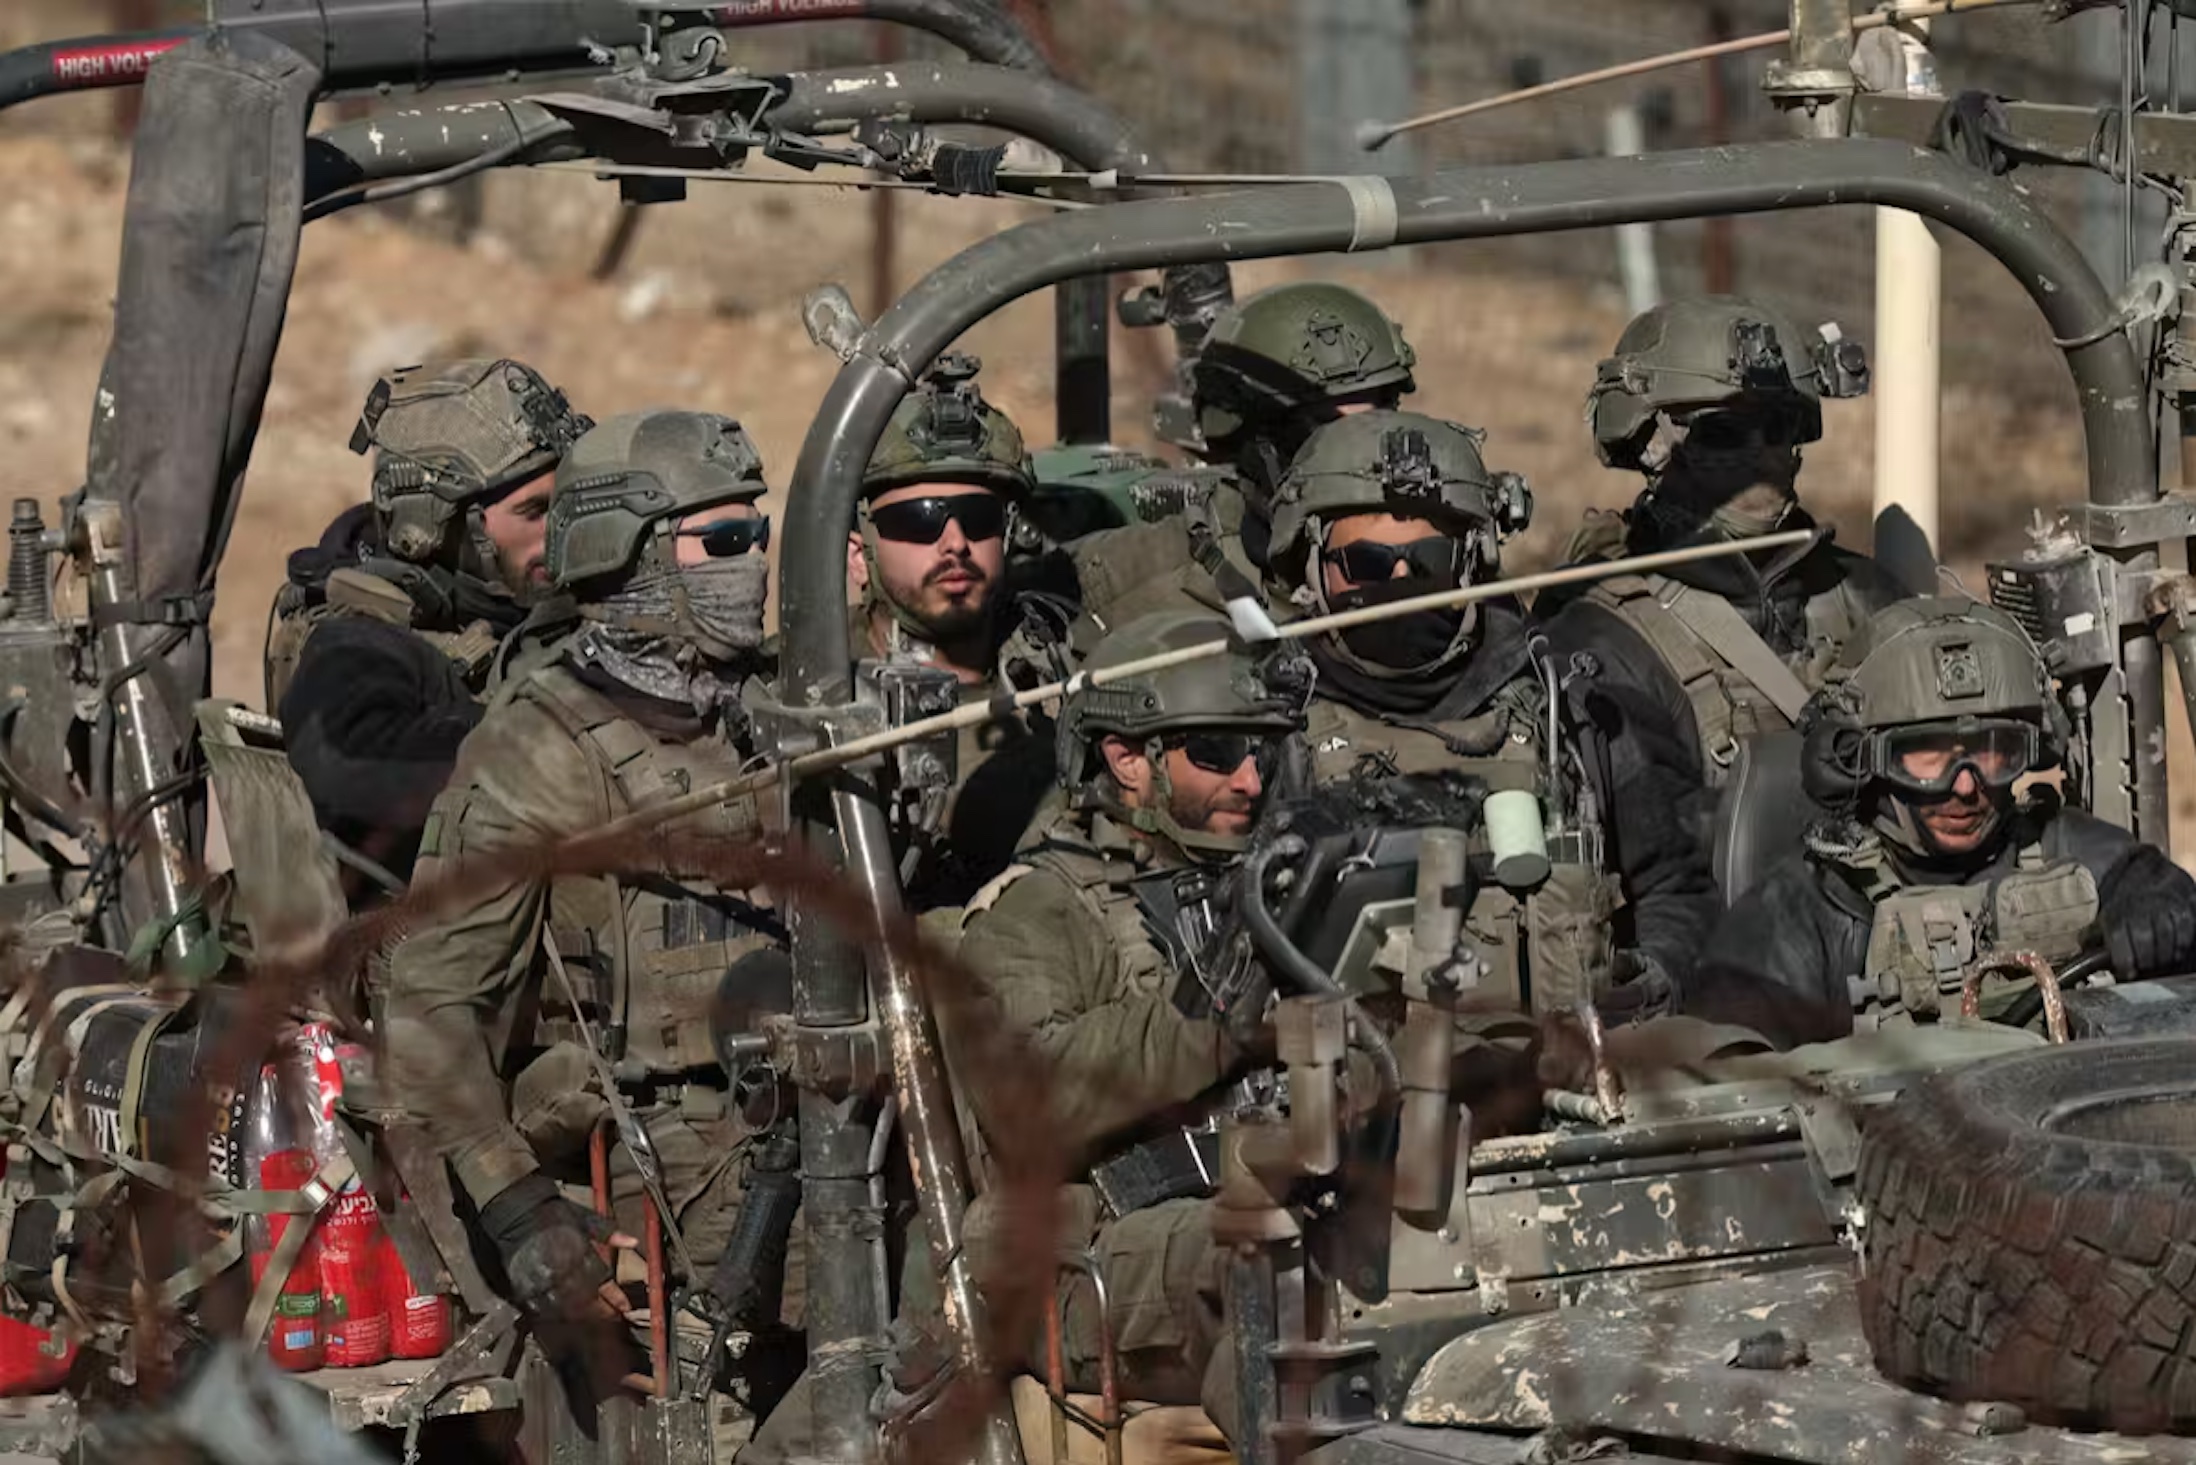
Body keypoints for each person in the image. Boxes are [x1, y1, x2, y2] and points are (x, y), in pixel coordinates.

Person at [382, 409, 784, 1363]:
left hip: (828, 1118)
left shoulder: (779, 708)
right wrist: (520, 1210)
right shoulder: (541, 746)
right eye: (725, 540)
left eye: (760, 535)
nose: (756, 564)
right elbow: (431, 1006)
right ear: (631, 553)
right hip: (668, 1162)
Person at [947, 608, 1315, 1439]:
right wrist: (1213, 1015)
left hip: (1276, 1198)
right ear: (1126, 759)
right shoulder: (1041, 907)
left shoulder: (1291, 882)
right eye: (1216, 752)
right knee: (1264, 1260)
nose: (1251, 780)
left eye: (1263, 749)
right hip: (1100, 1263)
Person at [1265, 408, 1719, 1011]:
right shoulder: (1266, 734)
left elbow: (1678, 888)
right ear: (1311, 568)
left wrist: (1655, 975)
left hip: (1564, 1081)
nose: (1399, 583)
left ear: (1471, 561)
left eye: (1427, 563)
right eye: (1369, 564)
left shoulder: (1566, 710)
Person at [1683, 597, 2196, 1047]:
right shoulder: (1800, 913)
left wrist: (2157, 911)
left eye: (1993, 753)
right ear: (1860, 761)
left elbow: (2159, 888)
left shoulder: (2067, 847)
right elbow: (1729, 1088)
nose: (1966, 786)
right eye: (1928, 757)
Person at [1549, 294, 1902, 787]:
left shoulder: (1863, 596)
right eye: (1725, 432)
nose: (1760, 453)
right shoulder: (1600, 631)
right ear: (1650, 444)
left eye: (1778, 427)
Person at [265, 358, 591, 889]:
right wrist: (556, 747)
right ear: (433, 526)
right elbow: (347, 757)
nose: (559, 534)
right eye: (536, 512)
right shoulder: (360, 640)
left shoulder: (521, 606)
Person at [846, 353, 1074, 910]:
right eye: (918, 519)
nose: (954, 544)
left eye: (976, 519)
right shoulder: (816, 691)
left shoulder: (1062, 649)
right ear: (859, 557)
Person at [1072, 280, 1419, 628]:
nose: (1363, 457)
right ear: (1252, 442)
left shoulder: (1441, 547)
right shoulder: (1139, 581)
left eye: (1378, 424)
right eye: (1325, 434)